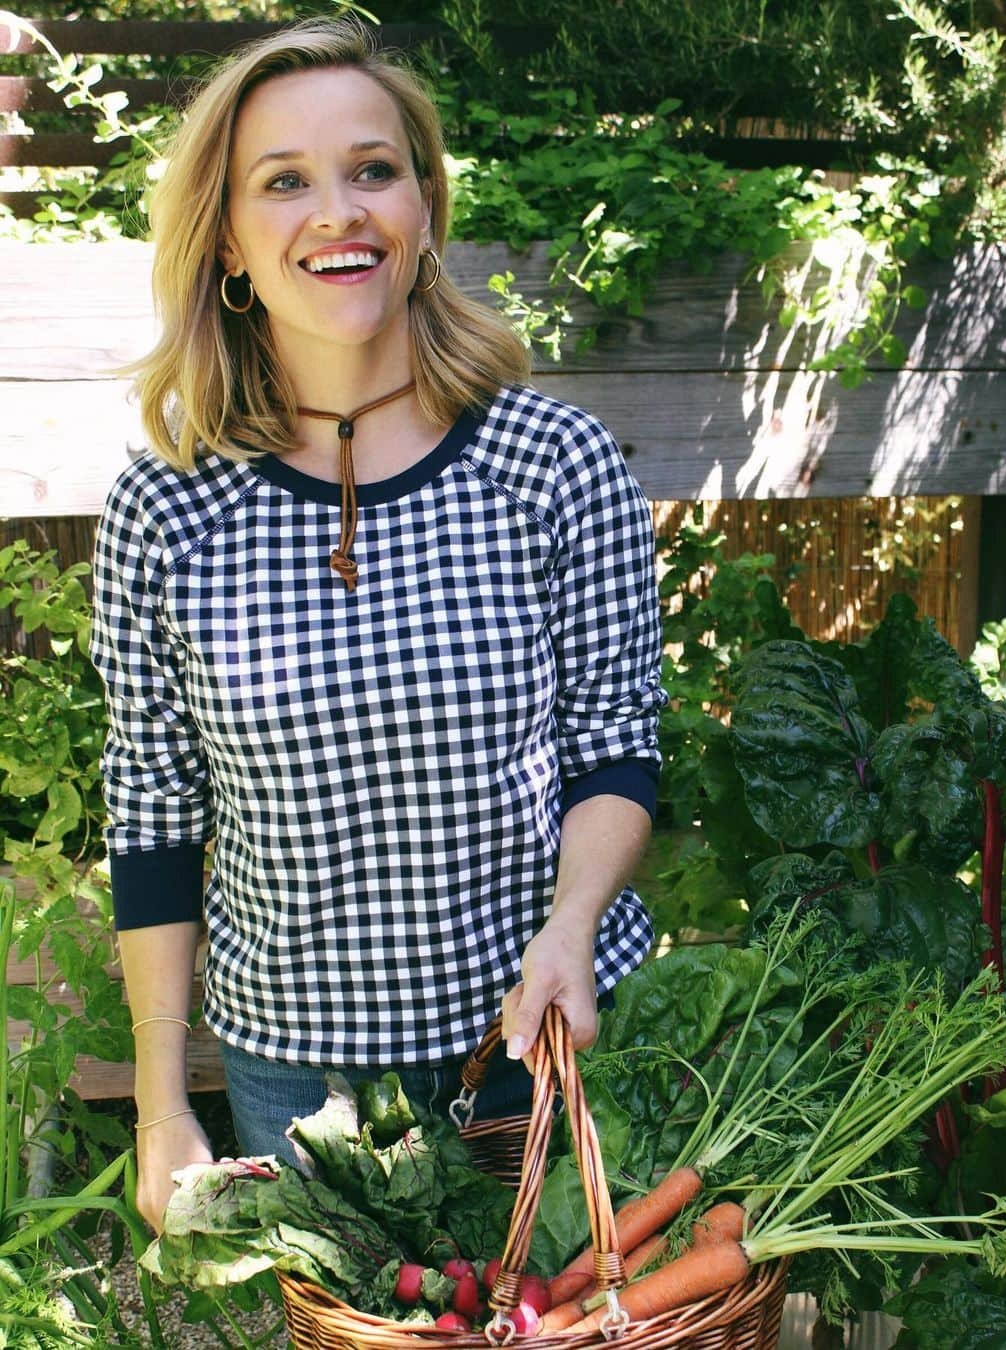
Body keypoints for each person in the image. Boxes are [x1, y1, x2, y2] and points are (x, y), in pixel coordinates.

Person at [88, 16, 665, 1236]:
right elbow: (151, 812)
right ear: (230, 244)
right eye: (284, 182)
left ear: (422, 212)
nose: (337, 210)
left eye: (373, 170)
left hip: (541, 1028)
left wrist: (570, 931)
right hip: (299, 1090)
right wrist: (158, 1101)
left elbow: (617, 745)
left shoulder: (552, 463)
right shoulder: (167, 507)